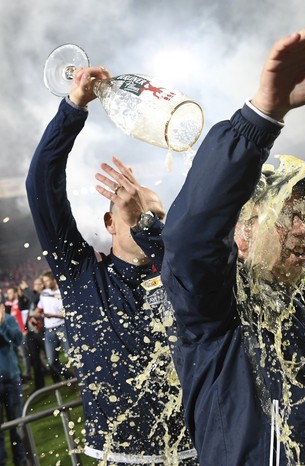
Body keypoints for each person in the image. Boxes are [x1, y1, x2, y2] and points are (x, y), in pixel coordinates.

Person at [161, 9, 305, 466]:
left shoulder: (297, 309)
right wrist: (263, 115)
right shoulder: (214, 315)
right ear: (241, 231)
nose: (303, 231)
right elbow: (191, 237)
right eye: (285, 216)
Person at [26, 67, 196, 463]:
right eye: (132, 212)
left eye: (154, 215)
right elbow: (41, 185)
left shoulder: (179, 275)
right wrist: (73, 108)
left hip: (198, 448)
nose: (145, 220)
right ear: (108, 222)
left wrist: (147, 227)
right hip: (120, 457)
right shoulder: (82, 276)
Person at [0, 296, 26, 466]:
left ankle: (21, 461)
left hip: (11, 378)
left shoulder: (9, 319)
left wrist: (3, 325)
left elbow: (18, 340)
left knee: (16, 424)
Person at [35, 270, 72, 383]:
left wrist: (53, 315)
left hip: (62, 327)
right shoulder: (44, 293)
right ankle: (71, 378)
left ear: (53, 279)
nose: (45, 283)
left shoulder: (62, 292)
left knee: (72, 356)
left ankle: (83, 381)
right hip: (49, 330)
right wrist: (35, 314)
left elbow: (67, 314)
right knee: (51, 361)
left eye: (47, 281)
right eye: (44, 281)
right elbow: (40, 308)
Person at [20, 278, 46, 391]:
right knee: (35, 361)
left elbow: (35, 299)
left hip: (41, 331)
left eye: (36, 284)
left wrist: (25, 289)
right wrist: (21, 295)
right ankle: (39, 387)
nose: (34, 286)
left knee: (51, 359)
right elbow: (22, 307)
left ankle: (60, 380)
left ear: (42, 285)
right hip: (31, 333)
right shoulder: (32, 296)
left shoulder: (44, 295)